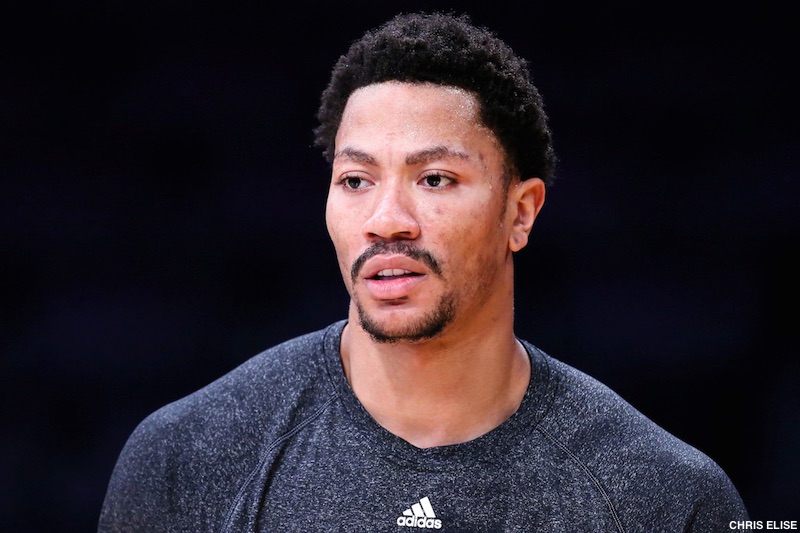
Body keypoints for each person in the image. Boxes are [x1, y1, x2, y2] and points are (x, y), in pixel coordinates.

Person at [99, 12, 750, 532]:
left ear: (520, 212)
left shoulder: (667, 497)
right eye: (356, 180)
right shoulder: (185, 458)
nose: (386, 220)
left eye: (434, 178)